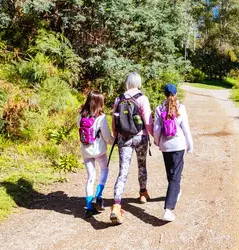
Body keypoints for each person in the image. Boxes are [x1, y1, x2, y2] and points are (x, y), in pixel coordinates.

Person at [109, 72, 153, 224]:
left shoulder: (119, 98)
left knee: (123, 171)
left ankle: (116, 205)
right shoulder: (142, 98)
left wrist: (116, 134)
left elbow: (114, 119)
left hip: (123, 138)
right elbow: (147, 120)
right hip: (140, 137)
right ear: (139, 82)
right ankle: (142, 193)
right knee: (142, 166)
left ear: (127, 83)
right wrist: (153, 134)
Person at [153, 83, 194, 222]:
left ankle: (175, 192)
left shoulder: (159, 109)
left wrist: (157, 142)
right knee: (175, 175)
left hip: (166, 146)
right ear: (176, 94)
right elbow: (186, 128)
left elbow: (157, 129)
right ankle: (168, 210)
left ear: (165, 94)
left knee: (170, 173)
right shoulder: (181, 108)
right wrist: (190, 145)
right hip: (178, 145)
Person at [77, 90, 113, 218]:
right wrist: (115, 142)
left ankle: (89, 206)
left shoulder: (81, 115)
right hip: (99, 151)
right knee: (104, 170)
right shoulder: (101, 117)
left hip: (86, 151)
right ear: (100, 103)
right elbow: (107, 137)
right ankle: (98, 196)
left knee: (90, 176)